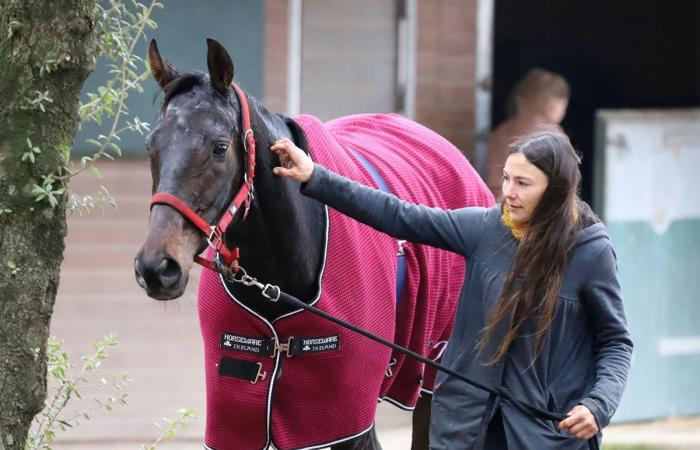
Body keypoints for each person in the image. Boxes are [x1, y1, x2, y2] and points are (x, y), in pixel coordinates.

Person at [270, 129, 632, 449]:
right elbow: (397, 214)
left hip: (546, 434)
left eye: (523, 183)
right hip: (465, 428)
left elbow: (616, 342)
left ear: (555, 191)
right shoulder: (486, 228)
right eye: (506, 178)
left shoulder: (591, 252)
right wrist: (315, 176)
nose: (508, 193)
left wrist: (598, 405)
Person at [487, 68, 570, 200]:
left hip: (498, 204)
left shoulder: (501, 131)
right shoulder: (553, 135)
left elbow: (493, 179)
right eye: (564, 107)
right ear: (554, 104)